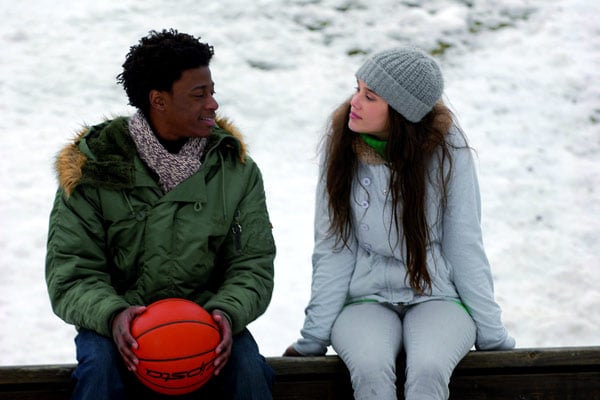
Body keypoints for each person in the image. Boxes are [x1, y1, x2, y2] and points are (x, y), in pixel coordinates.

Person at [45, 29, 276, 400]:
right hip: (116, 330)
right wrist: (114, 315)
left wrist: (226, 313)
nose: (213, 104)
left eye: (213, 91)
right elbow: (71, 272)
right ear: (159, 100)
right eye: (199, 95)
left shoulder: (236, 170)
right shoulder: (92, 169)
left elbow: (253, 263)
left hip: (206, 325)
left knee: (249, 371)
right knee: (99, 373)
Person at [284, 47, 515, 399]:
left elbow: (463, 243)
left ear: (403, 113)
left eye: (369, 96)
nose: (354, 102)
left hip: (437, 296)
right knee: (371, 369)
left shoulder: (448, 152)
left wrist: (492, 333)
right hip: (365, 299)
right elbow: (334, 247)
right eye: (357, 88)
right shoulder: (342, 146)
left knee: (428, 369)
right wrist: (312, 339)